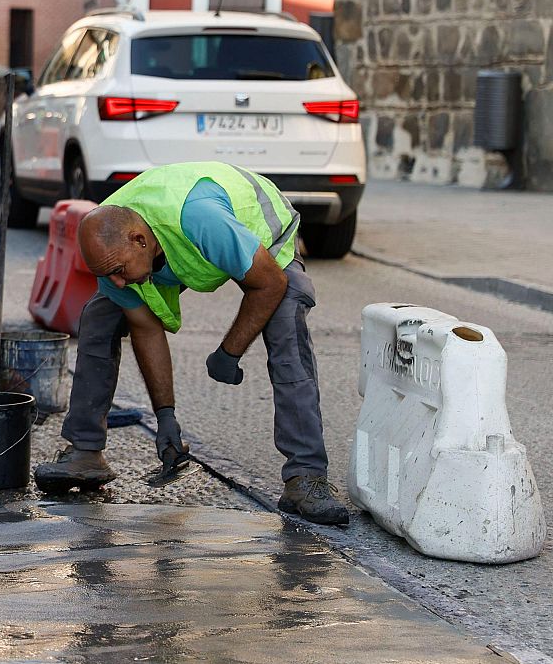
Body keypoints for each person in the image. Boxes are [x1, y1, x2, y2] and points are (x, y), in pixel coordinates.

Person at [32, 161, 349, 526]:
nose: (117, 281)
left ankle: (306, 477)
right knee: (100, 315)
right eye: (108, 274)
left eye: (118, 271)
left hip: (260, 236)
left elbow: (269, 283)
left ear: (140, 241)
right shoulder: (111, 246)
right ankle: (85, 452)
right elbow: (146, 329)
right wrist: (165, 417)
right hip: (172, 248)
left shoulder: (200, 220)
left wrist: (229, 351)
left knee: (286, 327)